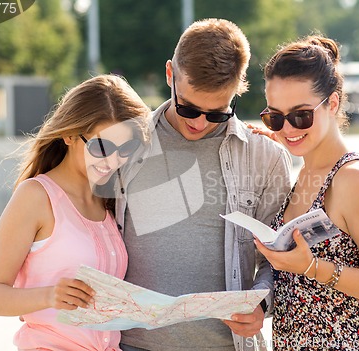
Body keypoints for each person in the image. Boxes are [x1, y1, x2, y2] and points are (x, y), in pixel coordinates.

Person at [115, 18, 292, 351]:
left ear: (238, 90)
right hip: (130, 344)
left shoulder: (265, 157)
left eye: (217, 113)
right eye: (189, 107)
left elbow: (280, 258)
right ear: (170, 74)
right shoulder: (124, 145)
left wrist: (262, 305)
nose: (198, 123)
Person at [253, 34, 359, 350]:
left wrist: (311, 267)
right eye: (275, 116)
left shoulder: (353, 180)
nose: (288, 128)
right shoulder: (305, 173)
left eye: (301, 115)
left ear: (333, 103)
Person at [0, 74, 151, 351]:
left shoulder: (109, 202)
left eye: (125, 148)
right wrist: (50, 296)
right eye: (102, 147)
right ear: (69, 134)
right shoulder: (35, 197)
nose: (113, 160)